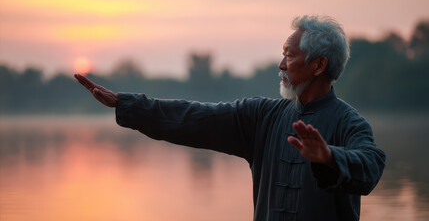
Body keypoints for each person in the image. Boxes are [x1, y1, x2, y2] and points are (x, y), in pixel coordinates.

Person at [74, 15, 386, 221]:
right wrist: (126, 104)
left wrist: (330, 157)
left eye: (289, 56)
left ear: (319, 66)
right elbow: (195, 118)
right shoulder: (262, 116)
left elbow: (371, 165)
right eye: (283, 54)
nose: (281, 64)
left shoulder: (350, 123)